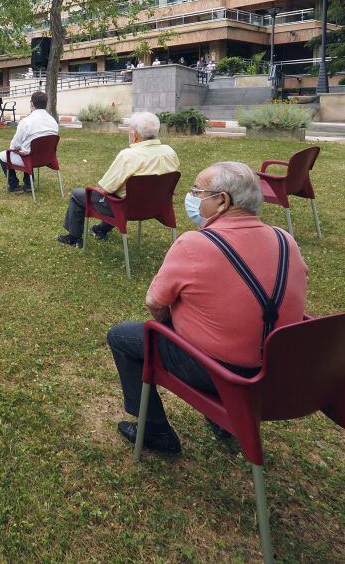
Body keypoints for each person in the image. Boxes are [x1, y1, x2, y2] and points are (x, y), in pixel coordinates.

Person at [108, 162, 308, 454]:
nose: (191, 197)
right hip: (277, 373)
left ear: (222, 201)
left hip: (223, 374)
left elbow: (155, 303)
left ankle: (155, 430)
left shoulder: (194, 244)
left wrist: (176, 322)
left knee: (123, 336)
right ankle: (223, 420)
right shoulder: (285, 240)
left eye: (197, 191)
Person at [58, 112, 178, 247]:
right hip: (157, 205)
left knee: (80, 194)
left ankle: (74, 237)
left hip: (127, 208)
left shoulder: (128, 155)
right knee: (117, 195)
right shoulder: (169, 152)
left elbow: (106, 188)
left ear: (135, 134)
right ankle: (101, 230)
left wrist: (102, 190)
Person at [0, 91, 59, 194]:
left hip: (30, 159)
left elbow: (14, 146)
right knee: (27, 149)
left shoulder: (26, 122)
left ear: (31, 104)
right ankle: (29, 184)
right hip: (48, 158)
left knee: (3, 155)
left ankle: (14, 186)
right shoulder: (53, 121)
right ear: (46, 103)